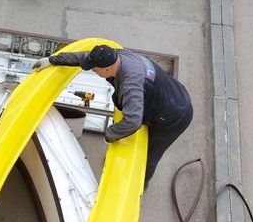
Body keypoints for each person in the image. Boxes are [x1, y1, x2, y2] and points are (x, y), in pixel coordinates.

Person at [34, 44, 192, 189]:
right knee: (119, 99)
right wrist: (52, 60)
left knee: (149, 155)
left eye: (95, 70)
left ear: (107, 70)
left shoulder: (130, 84)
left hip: (175, 116)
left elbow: (133, 121)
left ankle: (137, 188)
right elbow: (84, 57)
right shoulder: (116, 55)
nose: (94, 72)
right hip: (172, 92)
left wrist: (110, 134)